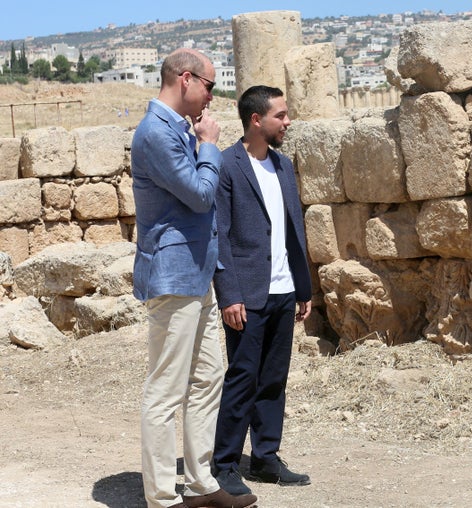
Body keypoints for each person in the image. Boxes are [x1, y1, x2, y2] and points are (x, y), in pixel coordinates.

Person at [132, 48, 257, 508]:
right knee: (166, 388)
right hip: (173, 274)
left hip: (196, 273)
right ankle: (162, 497)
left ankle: (202, 481)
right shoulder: (154, 134)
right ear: (185, 79)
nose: (211, 96)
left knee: (208, 378)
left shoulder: (174, 130)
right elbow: (202, 195)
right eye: (209, 86)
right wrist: (208, 145)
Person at [212, 85, 313, 495]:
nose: (287, 122)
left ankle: (267, 458)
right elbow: (218, 235)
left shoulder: (284, 166)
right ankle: (225, 466)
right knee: (242, 379)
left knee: (273, 378)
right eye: (281, 115)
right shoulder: (226, 166)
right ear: (257, 120)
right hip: (246, 295)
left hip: (284, 290)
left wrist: (303, 286)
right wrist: (229, 295)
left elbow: (293, 229)